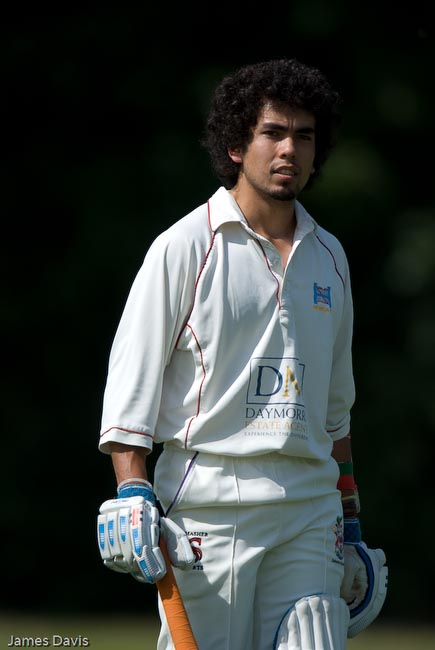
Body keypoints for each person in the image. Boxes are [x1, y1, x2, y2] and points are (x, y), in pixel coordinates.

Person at [97, 58, 388, 649]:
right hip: (209, 503)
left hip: (310, 506)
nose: (289, 150)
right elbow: (132, 385)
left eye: (304, 136)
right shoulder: (185, 245)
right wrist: (132, 489)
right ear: (235, 145)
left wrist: (350, 517)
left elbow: (335, 412)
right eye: (272, 133)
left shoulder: (329, 256)